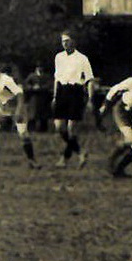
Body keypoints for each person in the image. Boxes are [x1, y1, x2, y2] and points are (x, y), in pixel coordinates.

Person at [0, 58, 36, 169]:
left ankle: (33, 162)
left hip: (15, 107)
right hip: (3, 110)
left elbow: (19, 93)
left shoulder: (5, 79)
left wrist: (19, 109)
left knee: (23, 134)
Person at [50, 32, 96, 166]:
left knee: (71, 128)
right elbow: (56, 78)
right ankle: (81, 151)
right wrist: (54, 96)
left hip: (75, 91)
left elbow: (90, 80)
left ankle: (64, 158)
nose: (65, 43)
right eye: (63, 41)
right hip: (62, 92)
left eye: (68, 40)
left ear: (74, 41)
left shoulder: (82, 59)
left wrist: (90, 100)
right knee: (59, 127)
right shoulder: (58, 57)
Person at [101, 63, 132, 178]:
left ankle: (119, 169)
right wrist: (105, 105)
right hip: (122, 111)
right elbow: (114, 89)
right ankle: (112, 161)